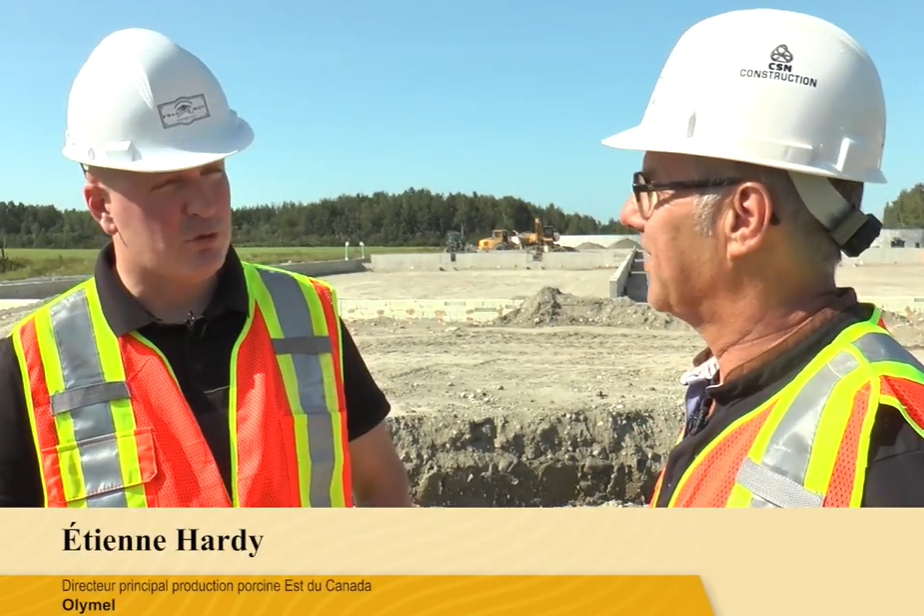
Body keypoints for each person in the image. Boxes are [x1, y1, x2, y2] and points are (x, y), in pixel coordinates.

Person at [0, 28, 414, 508]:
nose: (204, 205)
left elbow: (383, 487)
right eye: (167, 183)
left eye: (212, 171)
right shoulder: (28, 367)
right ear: (101, 206)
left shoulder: (307, 319)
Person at [601, 9, 924, 507]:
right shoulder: (743, 390)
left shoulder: (887, 450)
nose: (628, 213)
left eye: (648, 187)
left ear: (744, 217)